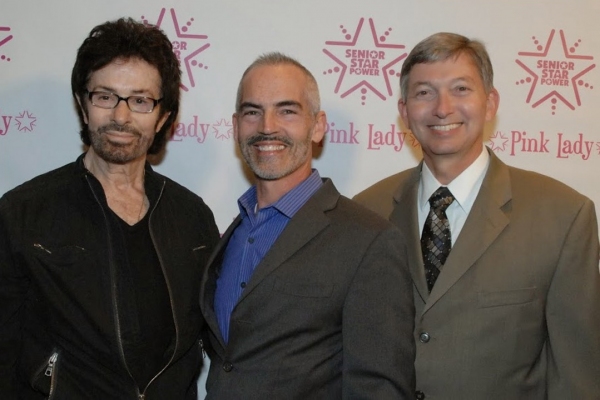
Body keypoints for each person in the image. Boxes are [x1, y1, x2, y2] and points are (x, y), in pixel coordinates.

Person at [354, 32, 600, 399]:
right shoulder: (365, 212)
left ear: (490, 103)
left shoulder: (564, 217)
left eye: (461, 89)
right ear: (404, 111)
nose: (442, 108)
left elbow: (577, 377)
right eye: (424, 92)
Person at [0, 18, 220, 399]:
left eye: (140, 100)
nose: (121, 117)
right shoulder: (23, 213)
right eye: (105, 96)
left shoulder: (193, 218)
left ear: (163, 116)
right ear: (83, 106)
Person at [199, 52, 415, 399]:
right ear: (237, 125)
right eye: (253, 112)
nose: (267, 126)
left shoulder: (369, 241)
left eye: (287, 110)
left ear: (317, 126)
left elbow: (379, 388)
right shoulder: (232, 234)